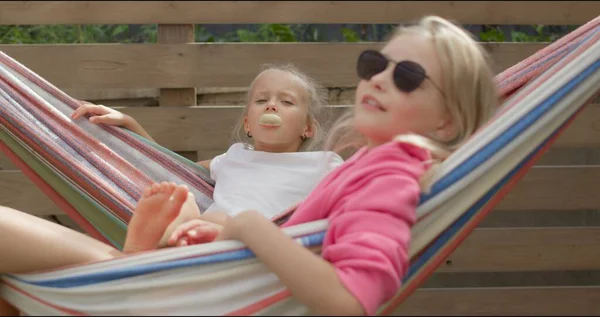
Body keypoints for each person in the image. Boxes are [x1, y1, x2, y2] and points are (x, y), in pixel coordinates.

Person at [0, 16, 498, 316]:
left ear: (448, 121)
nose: (382, 79)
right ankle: (141, 257)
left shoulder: (385, 176)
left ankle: (135, 263)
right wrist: (129, 131)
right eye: (375, 64)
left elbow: (352, 301)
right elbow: (169, 166)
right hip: (201, 276)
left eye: (409, 76)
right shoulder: (368, 166)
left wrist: (247, 226)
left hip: (203, 290)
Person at [70, 64, 344, 248]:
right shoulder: (232, 158)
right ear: (248, 123)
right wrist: (130, 125)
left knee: (209, 218)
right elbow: (172, 170)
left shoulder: (324, 165)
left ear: (308, 127)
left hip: (267, 246)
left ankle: (142, 248)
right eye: (262, 100)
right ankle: (153, 245)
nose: (271, 105)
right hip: (202, 244)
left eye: (286, 102)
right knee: (181, 201)